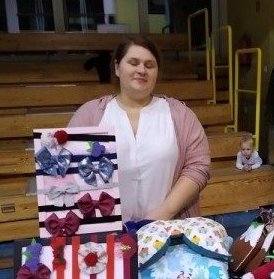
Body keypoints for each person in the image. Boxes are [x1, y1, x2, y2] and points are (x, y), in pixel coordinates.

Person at [68, 35, 210, 223]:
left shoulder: (180, 115)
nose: (142, 70)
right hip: (106, 232)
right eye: (133, 63)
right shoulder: (89, 115)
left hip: (168, 226)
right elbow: (68, 169)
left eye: (150, 65)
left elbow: (198, 165)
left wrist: (162, 214)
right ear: (117, 68)